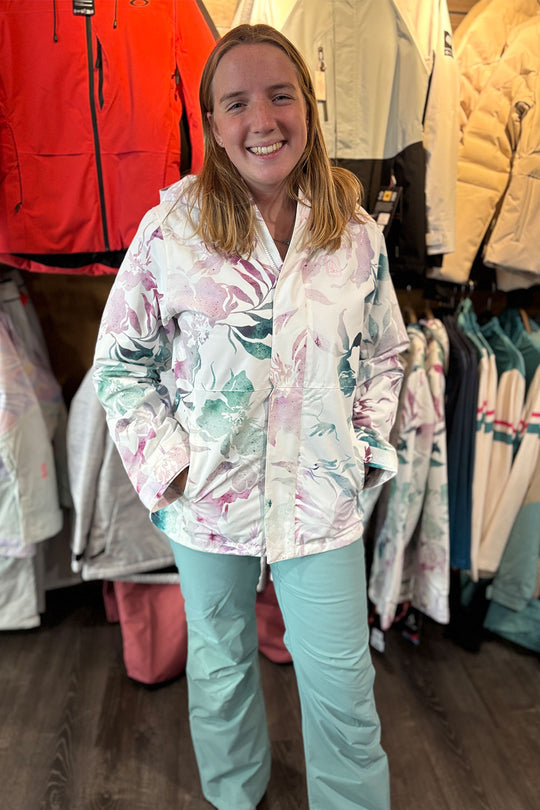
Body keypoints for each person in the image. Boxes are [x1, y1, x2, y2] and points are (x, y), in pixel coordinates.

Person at [93, 23, 409, 810]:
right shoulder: (172, 232)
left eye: (280, 95)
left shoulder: (357, 234)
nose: (262, 119)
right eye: (237, 102)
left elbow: (386, 354)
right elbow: (118, 362)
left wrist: (363, 448)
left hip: (320, 504)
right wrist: (171, 466)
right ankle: (237, 796)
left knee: (342, 686)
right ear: (212, 124)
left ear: (309, 105)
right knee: (221, 664)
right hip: (209, 503)